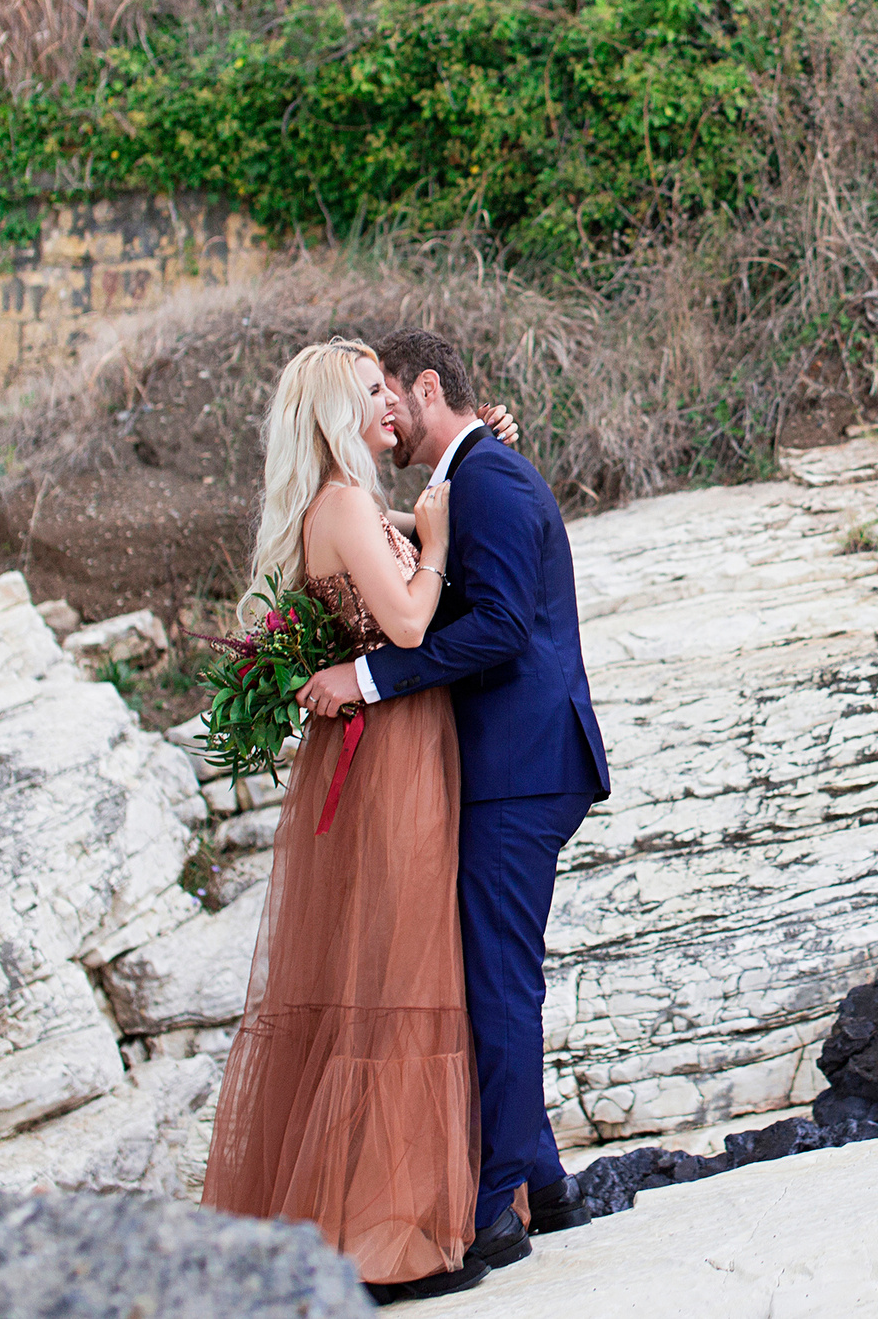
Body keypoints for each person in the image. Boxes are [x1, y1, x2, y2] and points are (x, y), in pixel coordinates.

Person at [201, 339, 510, 1306]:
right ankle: (385, 1231)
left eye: (390, 386)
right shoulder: (340, 502)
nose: (389, 402)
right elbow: (413, 624)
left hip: (385, 743)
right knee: (400, 971)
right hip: (392, 755)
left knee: (381, 971)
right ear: (338, 410)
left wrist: (473, 457)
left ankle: (379, 1211)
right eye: (372, 391)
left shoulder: (339, 503)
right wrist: (440, 539)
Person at [299, 326, 611, 1266]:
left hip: (521, 768)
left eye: (390, 392)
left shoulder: (492, 480)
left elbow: (506, 629)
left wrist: (372, 678)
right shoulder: (467, 478)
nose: (383, 411)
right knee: (495, 975)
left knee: (496, 984)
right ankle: (545, 1184)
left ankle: (492, 1212)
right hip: (504, 766)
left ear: (427, 387)